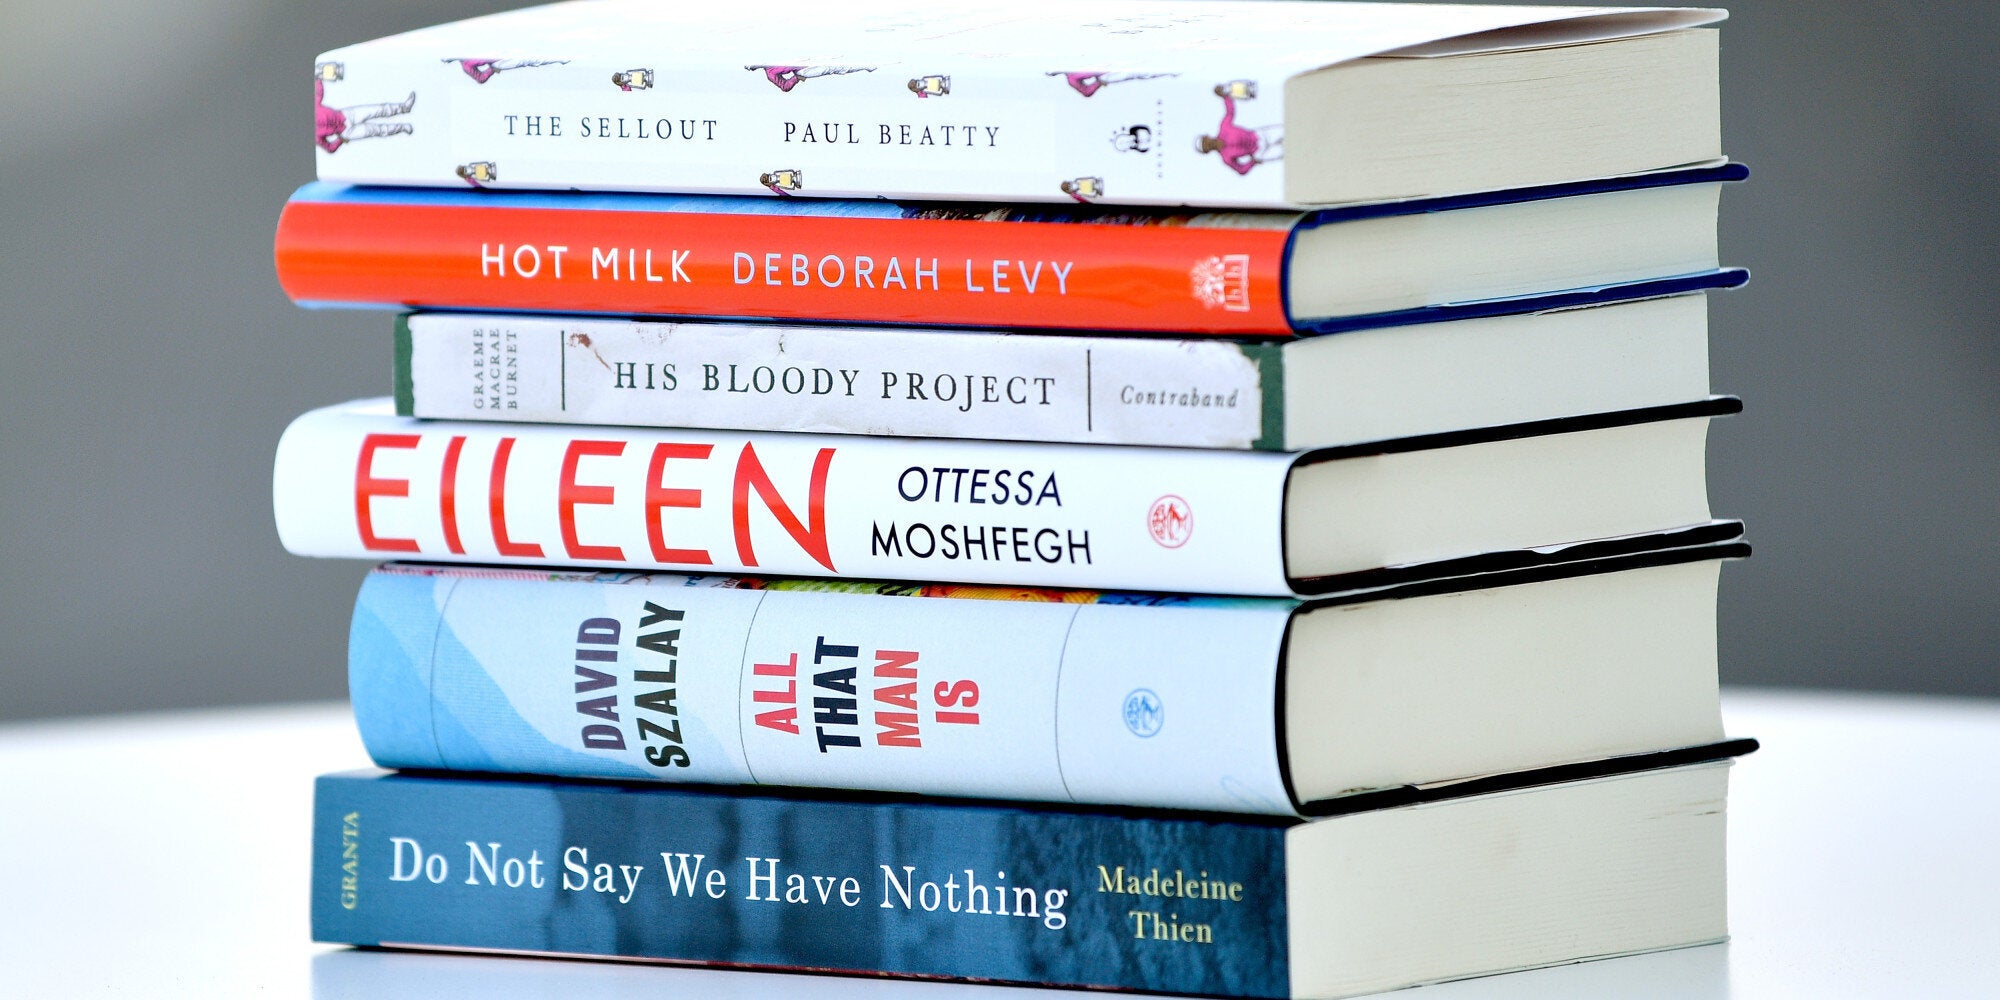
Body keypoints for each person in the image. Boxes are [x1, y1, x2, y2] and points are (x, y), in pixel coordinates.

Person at [315, 79, 413, 153]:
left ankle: (404, 107)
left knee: (378, 110)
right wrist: (340, 140)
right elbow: (330, 148)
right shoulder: (315, 137)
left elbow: (319, 92)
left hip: (347, 115)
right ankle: (403, 128)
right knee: (377, 130)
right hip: (346, 132)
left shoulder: (313, 107)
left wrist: (318, 78)